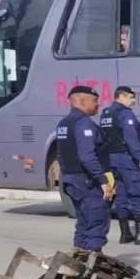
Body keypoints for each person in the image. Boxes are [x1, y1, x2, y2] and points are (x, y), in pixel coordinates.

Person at [56, 85, 113, 253]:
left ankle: (78, 259)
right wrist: (102, 180)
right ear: (82, 102)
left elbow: (60, 155)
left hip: (72, 180)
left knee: (83, 222)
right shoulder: (83, 123)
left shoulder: (64, 123)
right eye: (94, 100)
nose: (98, 104)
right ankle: (91, 260)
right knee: (97, 221)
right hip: (86, 181)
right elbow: (87, 156)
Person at [100, 86, 140, 245]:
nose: (133, 101)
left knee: (121, 196)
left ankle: (125, 233)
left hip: (112, 160)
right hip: (127, 160)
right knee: (137, 195)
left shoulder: (106, 114)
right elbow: (131, 139)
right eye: (131, 97)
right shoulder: (125, 114)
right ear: (121, 96)